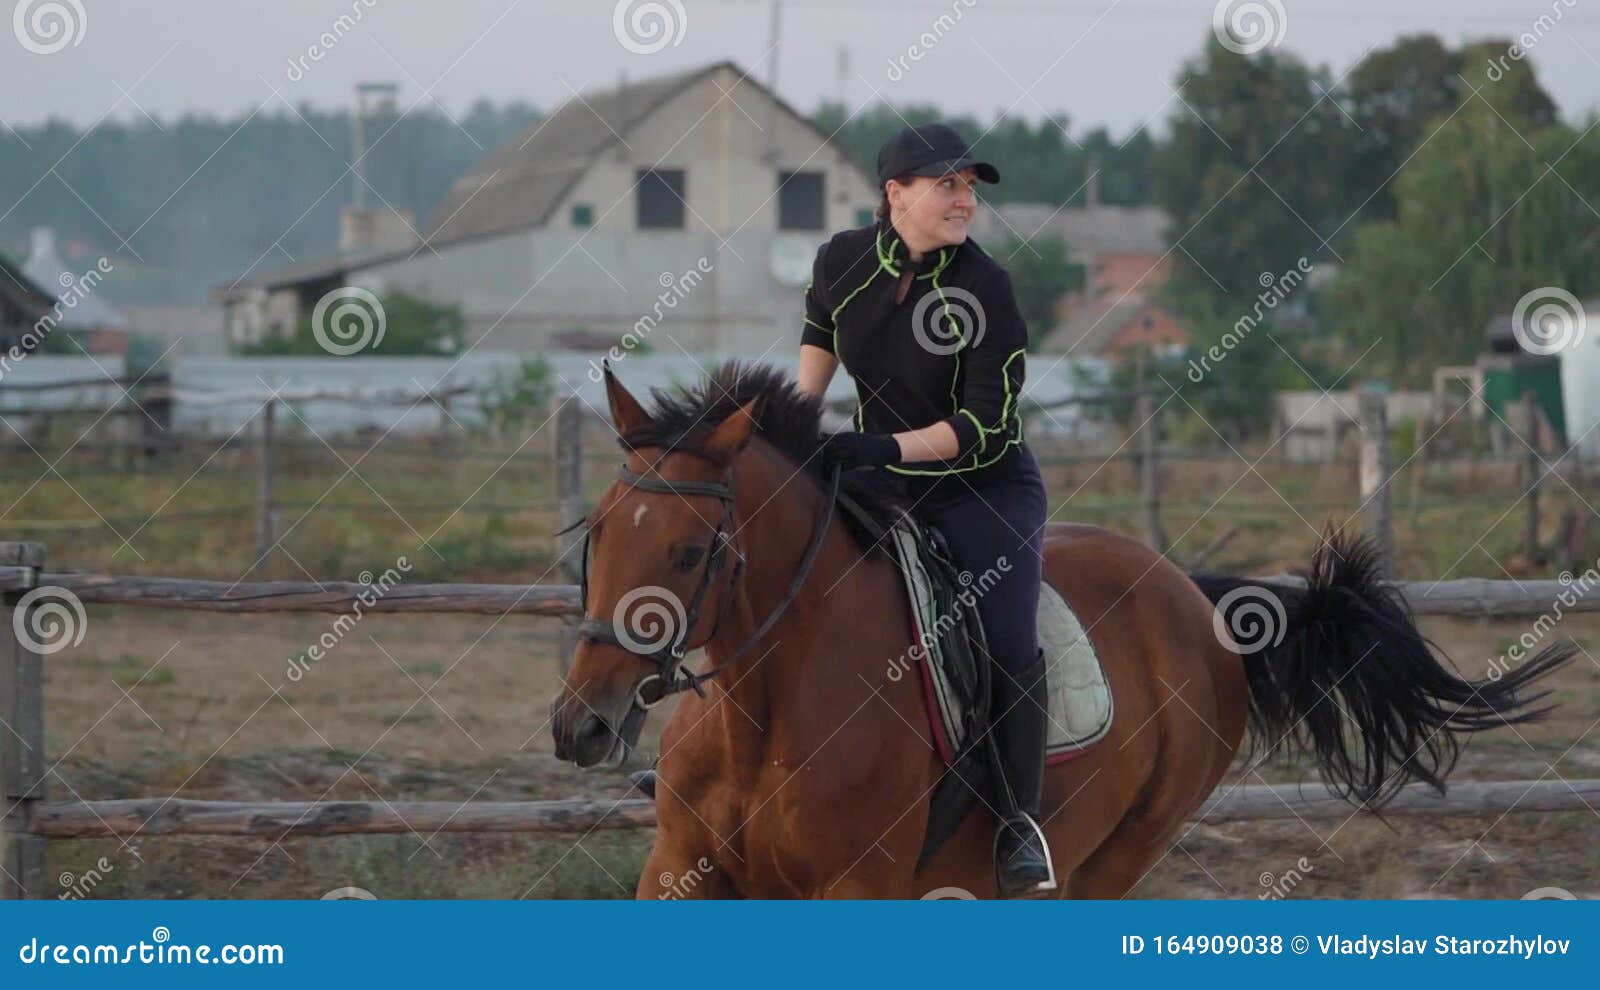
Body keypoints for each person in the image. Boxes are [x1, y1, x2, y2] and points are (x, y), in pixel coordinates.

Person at [796, 122, 1054, 897]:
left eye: (971, 187)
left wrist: (878, 450)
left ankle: (1018, 825)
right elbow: (816, 347)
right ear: (895, 192)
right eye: (949, 185)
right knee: (775, 572)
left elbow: (986, 427)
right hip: (881, 480)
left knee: (1006, 638)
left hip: (984, 488)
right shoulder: (840, 261)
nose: (965, 200)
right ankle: (717, 762)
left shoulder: (986, 288)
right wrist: (793, 436)